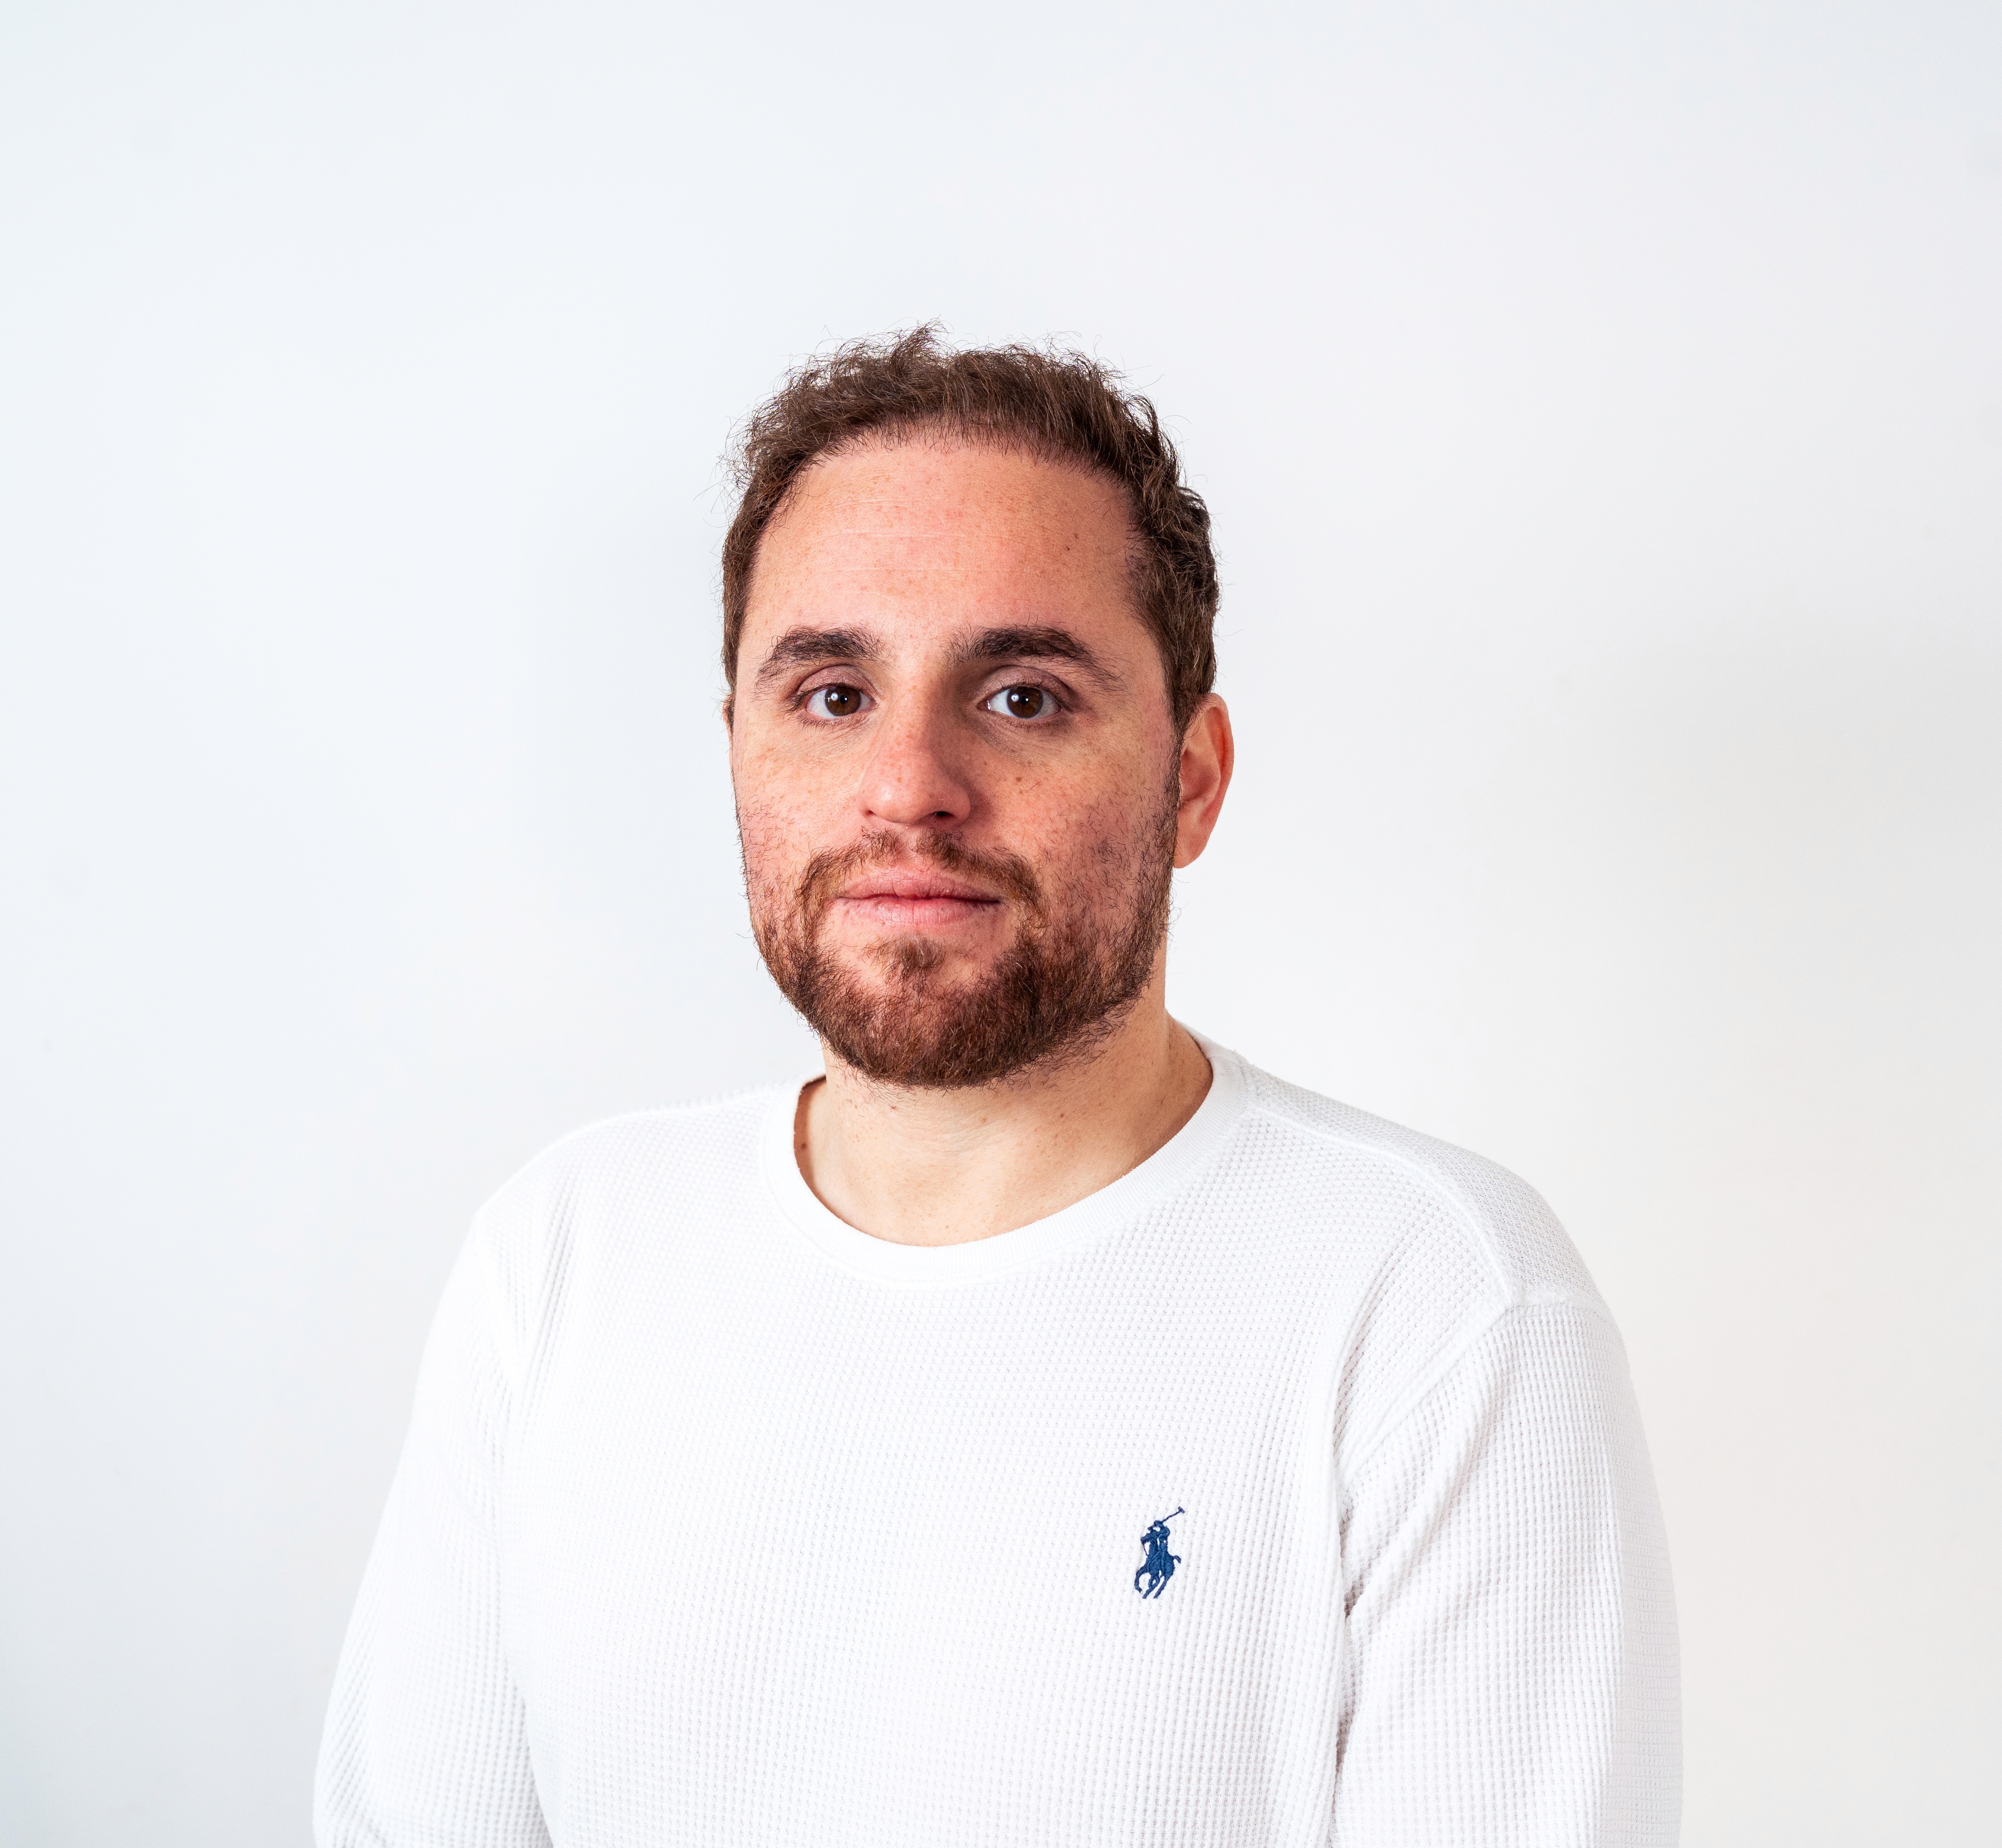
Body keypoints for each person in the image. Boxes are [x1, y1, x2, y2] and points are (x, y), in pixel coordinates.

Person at [315, 329, 1679, 1846]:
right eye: (832, 693)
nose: (908, 787)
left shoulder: (1436, 1307)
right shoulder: (566, 1255)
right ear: (738, 749)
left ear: (1192, 780)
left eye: (1023, 697)